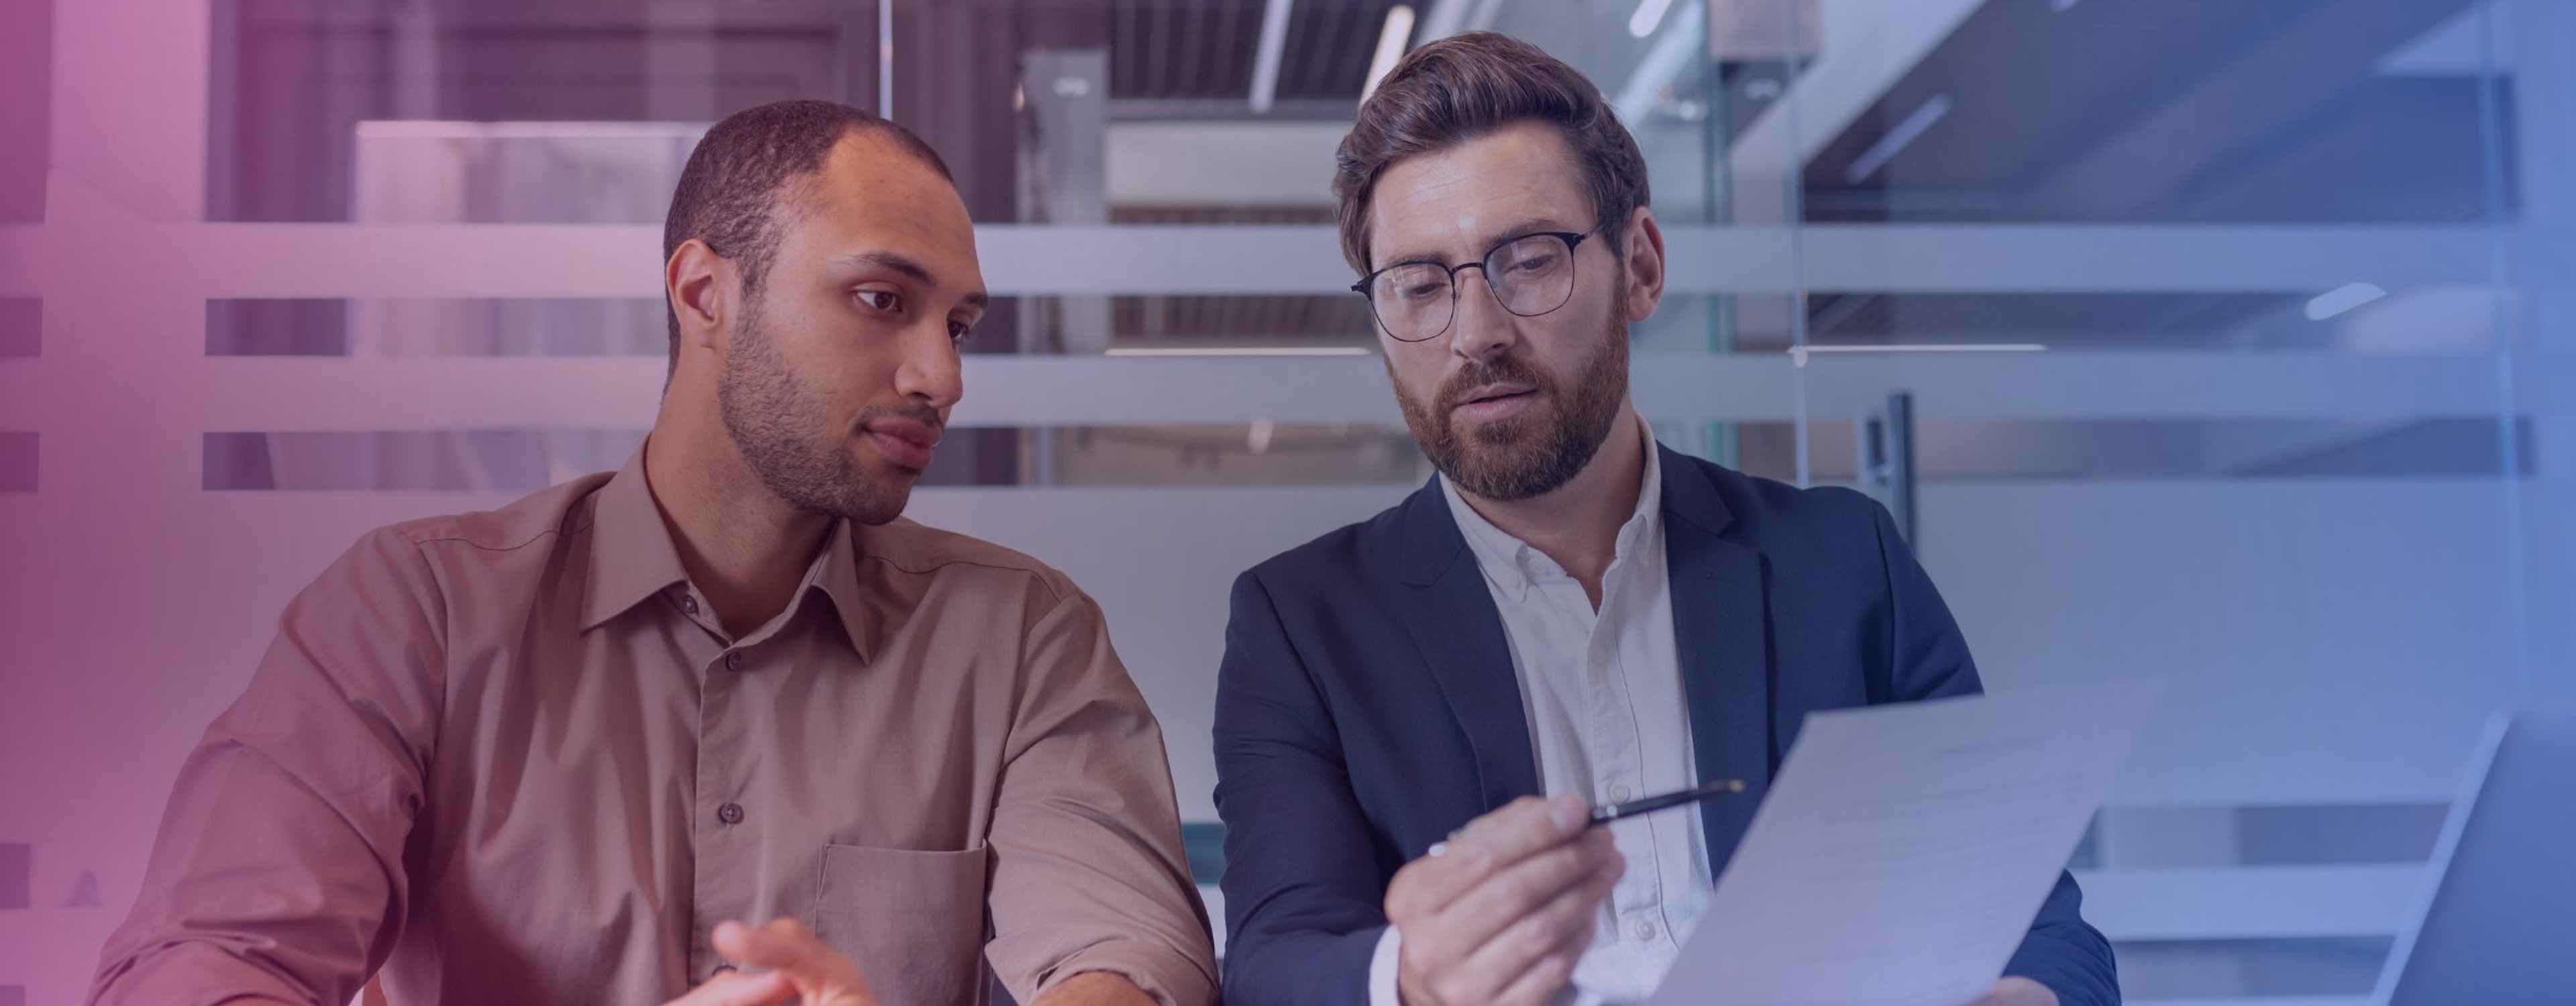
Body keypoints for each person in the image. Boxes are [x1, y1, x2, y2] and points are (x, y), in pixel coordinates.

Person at [88, 99, 1216, 1006]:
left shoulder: (1021, 640)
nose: (943, 376)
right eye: (882, 300)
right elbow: (201, 965)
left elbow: (1130, 962)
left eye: (958, 326)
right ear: (703, 293)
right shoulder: (415, 612)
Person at [1211, 34, 2116, 1006]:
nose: (1475, 334)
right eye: (1421, 286)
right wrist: (1415, 978)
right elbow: (1275, 965)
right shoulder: (1302, 626)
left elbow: (2035, 922)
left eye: (1528, 261)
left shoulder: (1845, 567)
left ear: (1639, 267)